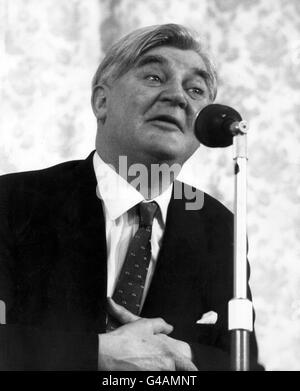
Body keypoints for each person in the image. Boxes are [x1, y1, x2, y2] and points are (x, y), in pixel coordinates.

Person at [0, 23, 263, 371]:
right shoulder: (13, 201)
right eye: (155, 77)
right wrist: (96, 355)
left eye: (195, 89)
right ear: (102, 100)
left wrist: (180, 359)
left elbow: (242, 364)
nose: (178, 96)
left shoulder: (220, 227)